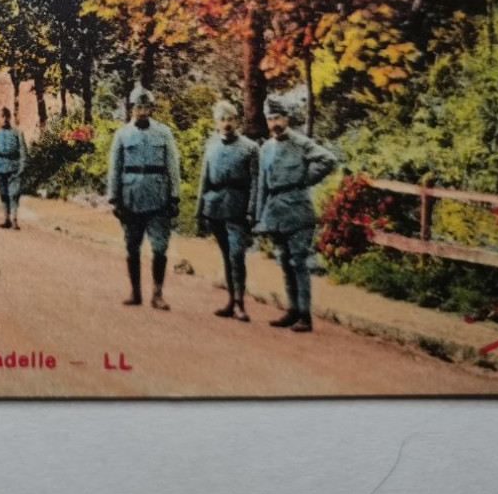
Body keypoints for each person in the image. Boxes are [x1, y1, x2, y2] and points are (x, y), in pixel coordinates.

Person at [252, 93, 341, 332]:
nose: (274, 123)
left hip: (298, 209)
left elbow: (328, 159)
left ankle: (305, 315)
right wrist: (260, 217)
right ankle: (292, 310)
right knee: (283, 261)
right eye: (270, 119)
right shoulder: (266, 149)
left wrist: (305, 178)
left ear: (287, 118)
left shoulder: (300, 143)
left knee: (298, 261)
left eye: (278, 117)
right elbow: (262, 185)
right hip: (276, 210)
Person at [107, 86, 182, 310]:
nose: (142, 111)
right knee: (132, 247)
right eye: (138, 107)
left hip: (158, 200)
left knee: (160, 248)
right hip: (131, 199)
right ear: (132, 109)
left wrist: (174, 197)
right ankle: (135, 292)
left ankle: (157, 294)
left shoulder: (164, 133)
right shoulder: (122, 135)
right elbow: (114, 168)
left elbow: (173, 167)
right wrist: (114, 199)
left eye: (146, 107)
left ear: (151, 109)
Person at [195, 99, 260, 321]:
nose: (227, 123)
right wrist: (199, 211)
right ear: (216, 123)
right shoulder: (211, 146)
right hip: (215, 208)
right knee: (226, 256)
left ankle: (241, 303)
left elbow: (255, 182)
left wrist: (252, 211)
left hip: (238, 208)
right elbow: (204, 179)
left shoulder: (250, 148)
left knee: (237, 255)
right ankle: (231, 301)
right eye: (222, 119)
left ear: (237, 121)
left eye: (230, 119)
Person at [0, 106, 27, 229]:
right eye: (2, 117)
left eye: (6, 116)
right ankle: (6, 219)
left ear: (10, 118)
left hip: (14, 166)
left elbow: (23, 151)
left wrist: (22, 166)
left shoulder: (17, 133)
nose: (4, 119)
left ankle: (14, 219)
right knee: (3, 193)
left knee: (14, 193)